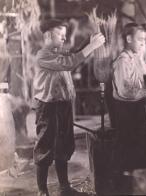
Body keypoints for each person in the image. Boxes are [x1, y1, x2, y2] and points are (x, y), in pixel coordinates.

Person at [33, 18, 105, 196]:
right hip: (48, 107)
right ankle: (42, 191)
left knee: (63, 146)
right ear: (48, 35)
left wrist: (89, 41)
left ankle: (64, 188)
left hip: (64, 105)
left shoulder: (60, 53)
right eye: (61, 34)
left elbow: (72, 56)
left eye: (65, 35)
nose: (64, 38)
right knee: (45, 146)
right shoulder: (43, 55)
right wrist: (92, 46)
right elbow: (70, 62)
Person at [111, 23, 146, 191]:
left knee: (137, 146)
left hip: (136, 108)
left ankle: (133, 184)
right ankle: (121, 187)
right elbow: (126, 92)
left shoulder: (134, 57)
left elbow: (143, 70)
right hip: (126, 110)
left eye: (144, 40)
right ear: (129, 39)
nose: (142, 44)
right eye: (139, 40)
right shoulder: (122, 61)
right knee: (126, 147)